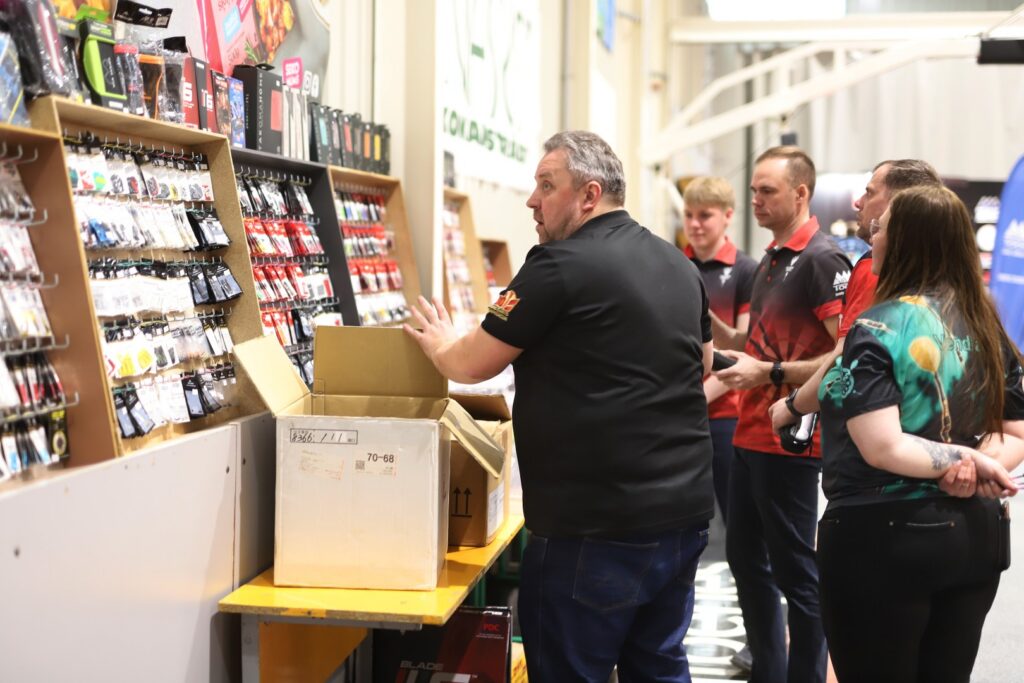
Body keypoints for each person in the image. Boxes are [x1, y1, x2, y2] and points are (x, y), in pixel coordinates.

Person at [404, 130, 715, 682]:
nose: (532, 201)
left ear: (589, 195)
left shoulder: (557, 265)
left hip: (593, 528)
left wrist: (440, 342)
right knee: (659, 665)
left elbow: (471, 364)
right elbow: (704, 365)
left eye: (547, 186)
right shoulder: (679, 265)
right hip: (682, 516)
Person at [815, 184, 1024, 682]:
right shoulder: (986, 325)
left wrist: (964, 463)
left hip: (883, 538)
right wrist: (969, 467)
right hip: (973, 537)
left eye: (882, 227)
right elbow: (1015, 433)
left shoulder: (879, 326)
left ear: (906, 241)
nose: (872, 234)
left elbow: (882, 445)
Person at [715, 146, 851, 683]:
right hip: (749, 435)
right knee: (746, 564)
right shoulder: (771, 259)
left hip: (791, 440)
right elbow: (756, 344)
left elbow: (844, 353)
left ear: (801, 193)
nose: (756, 200)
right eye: (753, 190)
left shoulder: (822, 260)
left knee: (797, 576)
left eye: (767, 190)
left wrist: (770, 375)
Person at [768, 159, 942, 430]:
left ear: (899, 203)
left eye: (870, 193)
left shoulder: (875, 267)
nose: (858, 202)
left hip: (869, 432)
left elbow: (845, 357)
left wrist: (793, 404)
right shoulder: (952, 282)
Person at [681, 177, 757, 523]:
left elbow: (743, 347)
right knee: (683, 516)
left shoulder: (745, 271)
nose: (694, 224)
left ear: (727, 215)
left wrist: (696, 398)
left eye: (704, 215)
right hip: (680, 410)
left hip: (726, 413)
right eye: (688, 215)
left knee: (735, 515)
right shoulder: (674, 264)